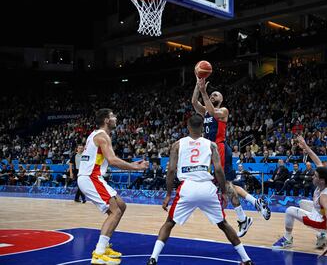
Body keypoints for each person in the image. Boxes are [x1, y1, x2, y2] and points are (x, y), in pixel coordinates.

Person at [146, 115, 253, 265]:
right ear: (203, 128)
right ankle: (246, 259)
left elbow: (170, 171)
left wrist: (168, 194)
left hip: (187, 187)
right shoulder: (211, 145)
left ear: (188, 127)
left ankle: (153, 258)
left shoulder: (177, 144)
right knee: (223, 224)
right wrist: (223, 192)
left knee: (169, 223)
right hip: (207, 188)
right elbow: (219, 171)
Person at [192, 76, 270, 238]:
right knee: (228, 185)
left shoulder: (223, 111)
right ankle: (255, 203)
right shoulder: (206, 111)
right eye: (211, 94)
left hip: (220, 148)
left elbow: (213, 112)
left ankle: (243, 218)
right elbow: (194, 102)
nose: (213, 96)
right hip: (210, 151)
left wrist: (205, 92)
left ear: (222, 99)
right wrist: (198, 86)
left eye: (216, 95)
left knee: (226, 186)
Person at [78, 109, 149, 265]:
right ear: (106, 120)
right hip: (91, 177)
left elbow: (111, 159)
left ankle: (105, 245)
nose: (116, 118)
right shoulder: (103, 136)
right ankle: (99, 253)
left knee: (121, 206)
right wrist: (135, 167)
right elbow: (112, 160)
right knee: (115, 211)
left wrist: (130, 164)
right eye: (112, 116)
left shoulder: (95, 134)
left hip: (93, 177)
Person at [273, 136, 327, 257]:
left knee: (290, 211)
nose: (312, 177)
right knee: (302, 203)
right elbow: (317, 160)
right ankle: (321, 235)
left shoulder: (325, 196)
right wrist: (305, 146)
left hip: (325, 222)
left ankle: (288, 239)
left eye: (315, 176)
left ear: (321, 180)